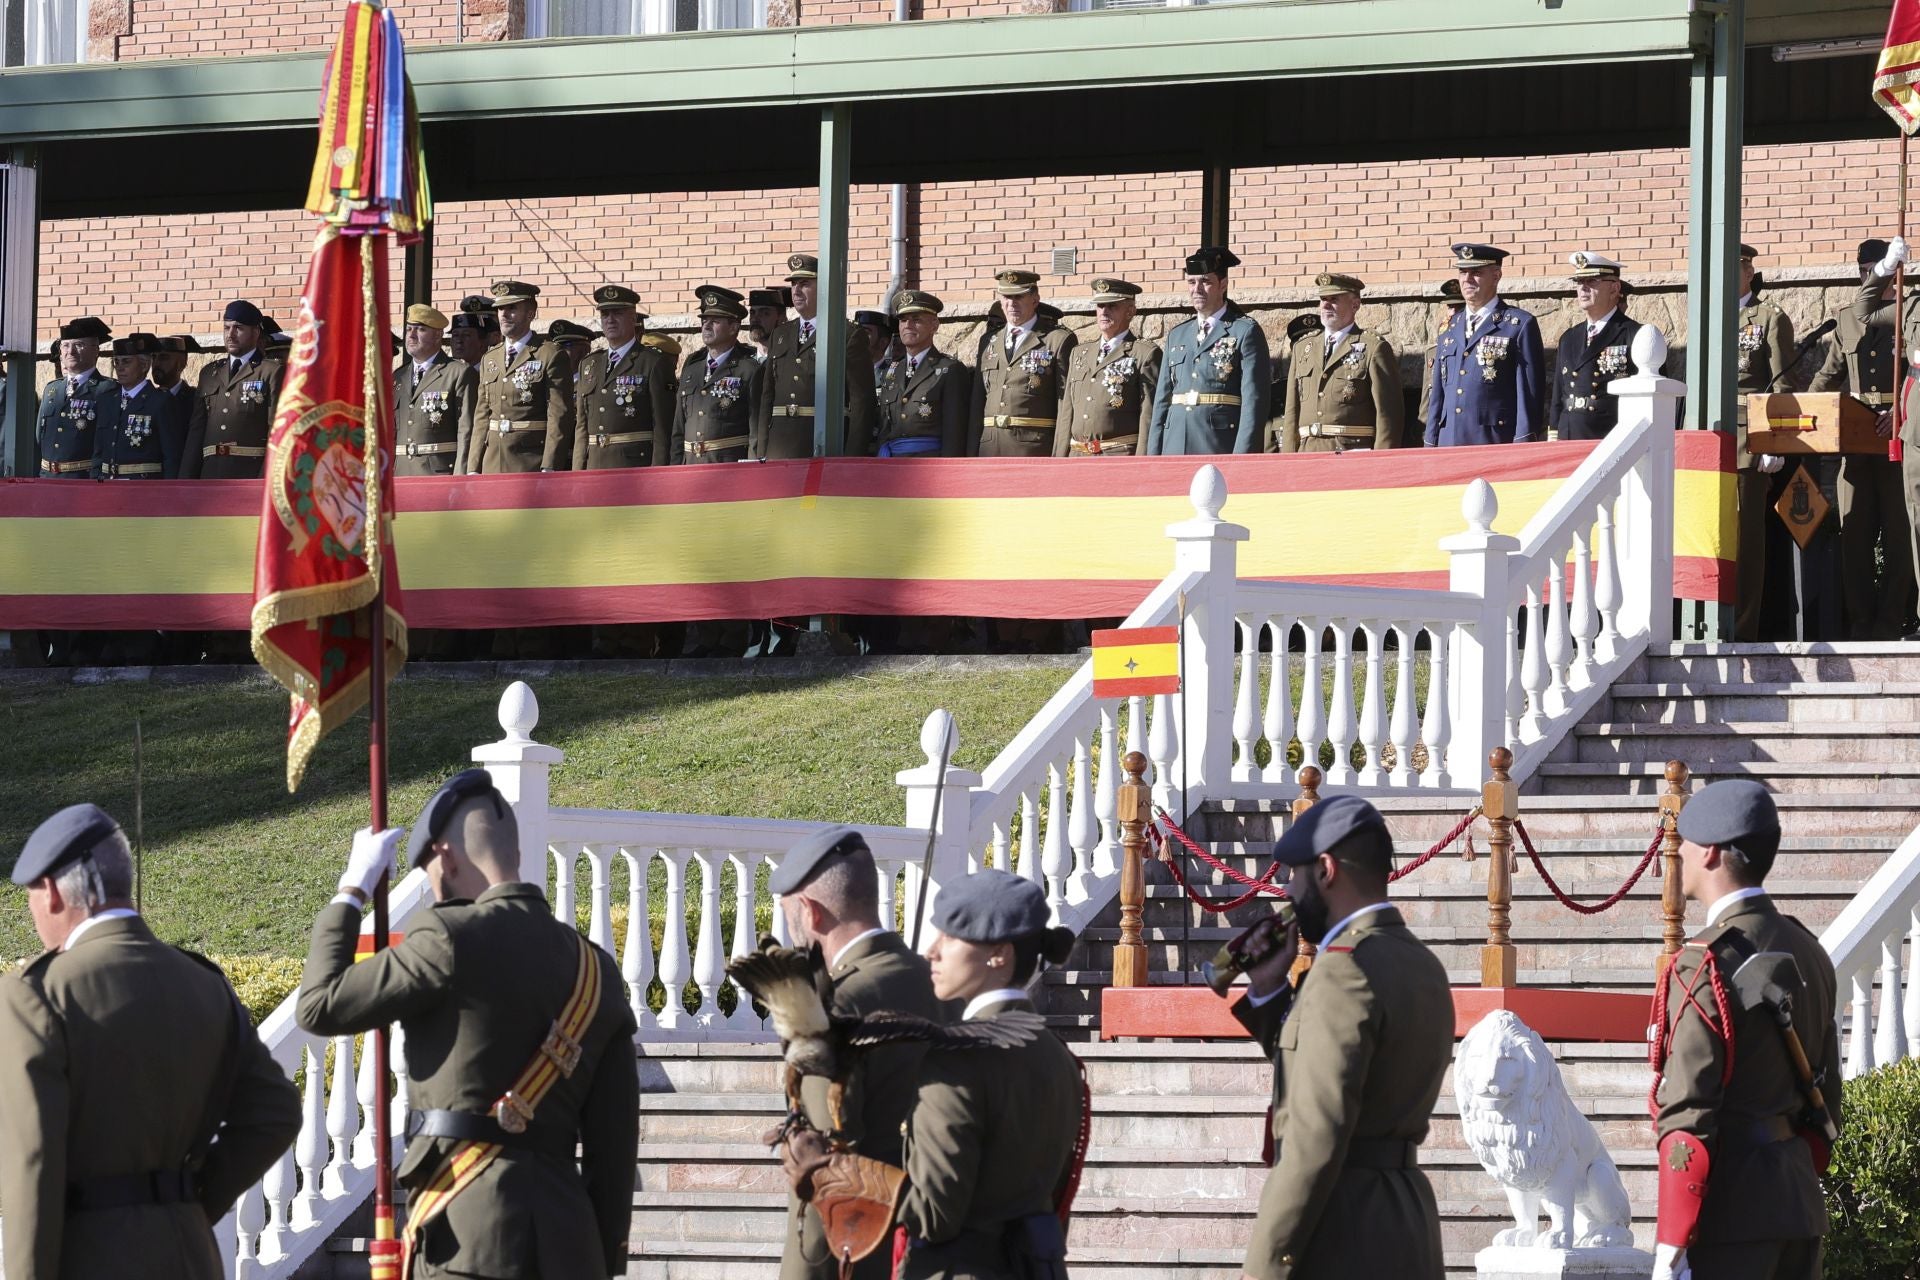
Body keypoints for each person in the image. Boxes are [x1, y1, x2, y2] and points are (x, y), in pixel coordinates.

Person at [296, 770, 638, 1280]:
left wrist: (352, 890)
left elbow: (319, 1005)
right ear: (514, 853)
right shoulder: (596, 970)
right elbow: (615, 1150)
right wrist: (599, 1258)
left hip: (466, 1243)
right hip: (571, 1248)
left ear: (447, 858)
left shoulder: (446, 935)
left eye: (431, 877)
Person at [0, 804, 301, 1280]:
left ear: (53, 894)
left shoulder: (38, 993)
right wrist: (189, 1202)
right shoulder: (205, 983)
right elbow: (276, 1112)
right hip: (191, 1254)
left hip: (92, 1260)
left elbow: (31, 1163)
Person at [788, 868, 1081, 1280]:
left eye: (950, 938)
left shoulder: (957, 1060)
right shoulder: (1057, 1054)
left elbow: (933, 1214)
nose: (931, 951)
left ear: (999, 954)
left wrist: (831, 1172)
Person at [1231, 795, 1451, 1280]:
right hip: (1406, 1222)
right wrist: (1270, 990)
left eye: (1294, 875)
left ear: (1325, 870)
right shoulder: (1421, 964)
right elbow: (1329, 1066)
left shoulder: (1342, 970)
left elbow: (1313, 1135)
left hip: (1343, 1231)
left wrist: (1263, 1268)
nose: (1288, 891)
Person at [1649, 780, 1840, 1280]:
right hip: (1798, 1205)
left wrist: (1671, 1242)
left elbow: (1688, 1112)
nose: (1679, 854)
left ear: (1710, 852)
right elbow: (1827, 1098)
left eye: (1684, 842)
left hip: (1730, 1218)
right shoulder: (1810, 949)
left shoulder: (1701, 963)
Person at [769, 826, 945, 1280]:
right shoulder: (947, 987)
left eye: (788, 916)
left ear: (810, 911)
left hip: (864, 1257)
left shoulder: (833, 1009)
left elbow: (824, 1176)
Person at [1807, 236, 1918, 640]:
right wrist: (1805, 411)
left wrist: (1900, 413)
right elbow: (1828, 376)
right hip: (1856, 442)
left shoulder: (1908, 311)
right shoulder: (1848, 318)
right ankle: (1860, 624)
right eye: (1863, 272)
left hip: (1897, 437)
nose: (1867, 278)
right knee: (1854, 535)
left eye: (1873, 271)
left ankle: (1890, 623)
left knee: (1900, 536)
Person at [1732, 246, 1800, 642]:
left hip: (1749, 442)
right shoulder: (1707, 316)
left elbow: (1782, 386)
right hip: (1707, 442)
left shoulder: (1769, 317)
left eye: (1733, 267)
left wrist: (1773, 441)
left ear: (1748, 272)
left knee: (1746, 542)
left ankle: (1742, 631)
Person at [1145, 246, 1271, 455]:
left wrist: (1241, 458)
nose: (1197, 289)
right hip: (1174, 443)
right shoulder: (1177, 334)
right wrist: (1153, 455)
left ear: (1223, 284)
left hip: (1218, 444)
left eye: (1205, 281)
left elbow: (1254, 404)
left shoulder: (1244, 331)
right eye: (1191, 282)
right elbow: (1161, 402)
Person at [753, 254, 881, 460]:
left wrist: (851, 459)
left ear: (824, 288)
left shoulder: (846, 334)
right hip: (779, 449)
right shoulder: (781, 334)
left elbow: (862, 404)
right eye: (794, 284)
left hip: (823, 447)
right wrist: (762, 452)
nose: (796, 290)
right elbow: (767, 398)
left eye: (804, 284)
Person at [1423, 243, 1547, 447]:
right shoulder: (1449, 328)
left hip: (1493, 443)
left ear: (1496, 275)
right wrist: (1430, 444)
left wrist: (1523, 446)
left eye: (1476, 272)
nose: (1467, 279)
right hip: (1449, 443)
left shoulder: (1518, 325)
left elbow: (1529, 396)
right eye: (1463, 272)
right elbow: (1437, 396)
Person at [1274, 272, 1402, 454]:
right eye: (1323, 299)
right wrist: (1288, 459)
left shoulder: (1373, 348)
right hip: (1307, 453)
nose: (1326, 305)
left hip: (1351, 454)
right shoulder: (1303, 348)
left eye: (1334, 299)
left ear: (1355, 305)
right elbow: (1291, 413)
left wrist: (1380, 462)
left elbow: (1388, 416)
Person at [468, 280, 575, 475]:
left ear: (530, 313)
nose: (504, 314)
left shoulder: (549, 354)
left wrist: (549, 466)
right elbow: (482, 417)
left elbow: (559, 416)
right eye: (500, 309)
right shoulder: (490, 358)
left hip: (530, 463)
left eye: (512, 308)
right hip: (492, 463)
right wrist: (473, 468)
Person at [970, 268, 1075, 458]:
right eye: (1006, 297)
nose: (1011, 303)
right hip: (989, 447)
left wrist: (1060, 455)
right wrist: (970, 453)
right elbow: (977, 402)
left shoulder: (1057, 339)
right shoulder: (989, 340)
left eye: (1018, 296)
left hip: (1033, 448)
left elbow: (1065, 404)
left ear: (1035, 299)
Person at [1056, 276, 1160, 457]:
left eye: (1112, 306)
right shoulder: (1079, 353)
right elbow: (1067, 412)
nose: (1104, 312)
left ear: (1130, 311)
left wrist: (1142, 462)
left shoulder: (1144, 354)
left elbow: (1148, 415)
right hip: (1078, 456)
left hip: (1117, 455)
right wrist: (1059, 458)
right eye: (1100, 306)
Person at [1549, 252, 1647, 442]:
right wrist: (1553, 436)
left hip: (1610, 440)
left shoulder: (1636, 335)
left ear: (1614, 288)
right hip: (1569, 438)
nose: (1583, 288)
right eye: (1579, 281)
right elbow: (1558, 397)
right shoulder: (1568, 338)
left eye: (1592, 281)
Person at [181, 300, 283, 479]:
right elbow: (196, 432)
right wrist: (185, 481)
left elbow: (276, 433)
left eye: (238, 328)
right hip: (210, 476)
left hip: (249, 476)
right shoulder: (209, 373)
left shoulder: (270, 371)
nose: (230, 335)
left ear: (255, 332)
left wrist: (264, 481)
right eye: (226, 328)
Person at [672, 285, 761, 466]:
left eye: (715, 321)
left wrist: (751, 471)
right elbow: (678, 430)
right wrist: (674, 470)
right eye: (704, 320)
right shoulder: (691, 370)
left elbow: (756, 432)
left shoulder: (749, 370)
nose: (706, 325)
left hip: (728, 467)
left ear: (733, 327)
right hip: (691, 467)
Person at [874, 290, 968, 459]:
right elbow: (884, 429)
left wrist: (949, 469)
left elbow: (955, 432)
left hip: (930, 463)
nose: (907, 325)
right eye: (903, 320)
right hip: (891, 463)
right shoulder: (892, 370)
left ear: (934, 325)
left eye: (916, 319)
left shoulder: (950, 369)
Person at [394, 304, 478, 477]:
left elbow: (466, 430)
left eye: (420, 329)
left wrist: (461, 477)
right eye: (409, 329)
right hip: (401, 473)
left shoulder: (458, 373)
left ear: (438, 335)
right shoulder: (398, 376)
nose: (411, 335)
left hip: (439, 474)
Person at [36, 316, 116, 478]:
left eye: (78, 345)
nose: (70, 351)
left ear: (96, 350)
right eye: (65, 345)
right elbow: (38, 439)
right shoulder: (52, 389)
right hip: (47, 478)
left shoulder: (108, 389)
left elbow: (108, 444)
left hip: (83, 480)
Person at [1415, 279, 1466, 433]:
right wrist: (1424, 430)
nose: (1453, 313)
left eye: (1460, 307)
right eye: (1450, 307)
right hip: (1441, 428)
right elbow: (1428, 397)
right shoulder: (1433, 353)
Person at [149, 334, 200, 475]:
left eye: (164, 358)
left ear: (182, 363)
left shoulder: (195, 400)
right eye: (154, 357)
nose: (156, 364)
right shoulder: (147, 400)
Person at [856, 308, 896, 390]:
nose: (857, 338)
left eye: (865, 333)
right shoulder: (845, 371)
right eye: (856, 332)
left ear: (883, 342)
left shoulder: (892, 374)